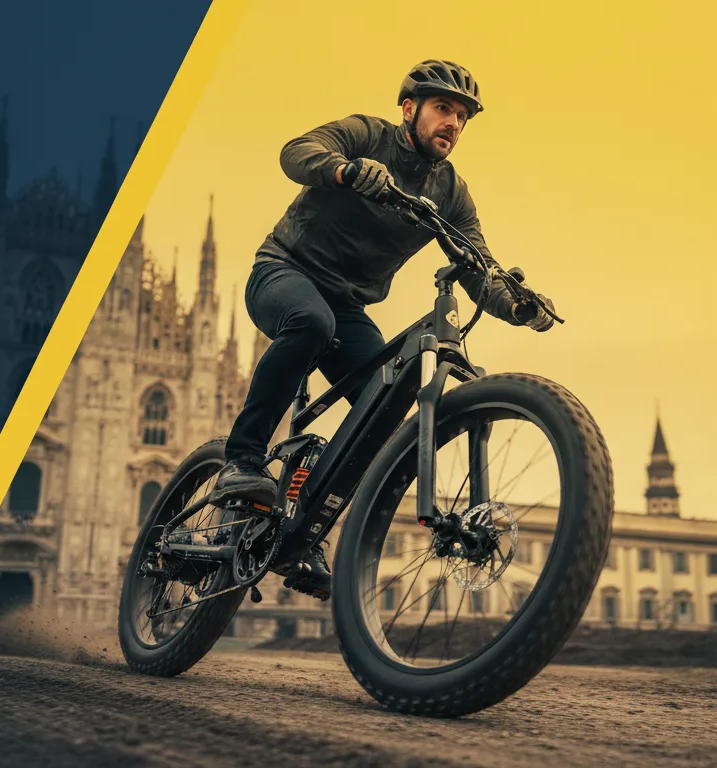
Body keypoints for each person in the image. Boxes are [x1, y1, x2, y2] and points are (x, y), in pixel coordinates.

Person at [213, 60, 556, 598]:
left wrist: (517, 307)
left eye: (463, 117)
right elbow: (296, 152)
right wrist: (344, 170)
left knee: (387, 399)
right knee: (309, 322)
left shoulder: (451, 194)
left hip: (348, 306)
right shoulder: (365, 135)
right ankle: (242, 461)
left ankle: (303, 531)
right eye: (444, 109)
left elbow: (477, 266)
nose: (454, 124)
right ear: (409, 110)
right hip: (285, 270)